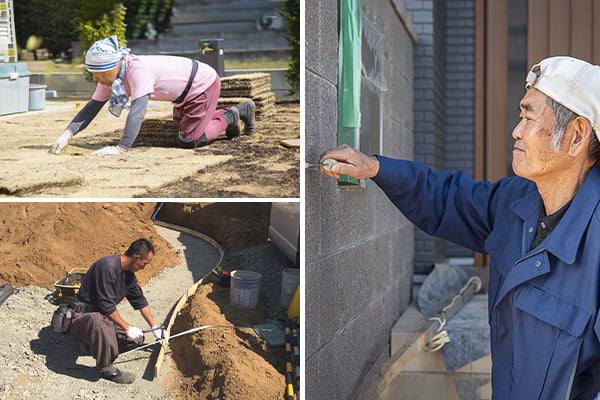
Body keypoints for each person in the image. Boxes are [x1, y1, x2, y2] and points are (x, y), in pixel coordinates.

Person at [319, 56, 600, 399]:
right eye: (520, 116)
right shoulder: (518, 201)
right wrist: (376, 168)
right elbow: (447, 198)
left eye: (528, 117)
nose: (517, 130)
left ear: (576, 137)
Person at [50, 36, 255, 155]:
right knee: (183, 128)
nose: (95, 78)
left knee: (190, 139)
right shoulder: (112, 79)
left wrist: (121, 148)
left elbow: (137, 112)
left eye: (97, 73)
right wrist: (67, 134)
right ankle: (224, 118)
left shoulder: (137, 70)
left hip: (202, 85)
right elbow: (92, 108)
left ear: (113, 66)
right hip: (183, 94)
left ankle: (230, 115)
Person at [68, 238, 168, 384]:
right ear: (136, 257)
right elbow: (107, 307)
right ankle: (106, 368)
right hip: (83, 318)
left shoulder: (128, 274)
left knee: (136, 339)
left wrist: (154, 327)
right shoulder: (107, 267)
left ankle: (94, 344)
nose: (144, 267)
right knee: (98, 321)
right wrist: (127, 327)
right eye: (145, 264)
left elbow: (139, 300)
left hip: (103, 318)